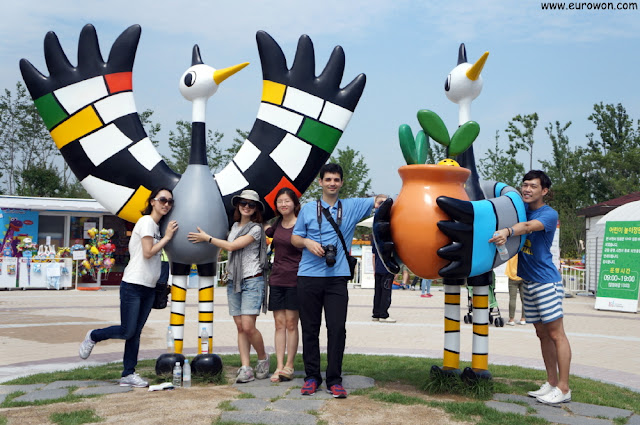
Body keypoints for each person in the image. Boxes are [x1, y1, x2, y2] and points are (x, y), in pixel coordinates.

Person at [79, 188, 178, 387]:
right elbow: (148, 252)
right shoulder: (146, 222)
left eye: (170, 201)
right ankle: (93, 336)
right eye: (162, 200)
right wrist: (167, 238)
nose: (166, 204)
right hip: (133, 284)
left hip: (149, 287)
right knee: (127, 330)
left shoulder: (157, 227)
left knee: (135, 332)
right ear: (152, 201)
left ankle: (128, 373)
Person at [291, 163, 374, 398]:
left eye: (336, 180)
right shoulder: (308, 209)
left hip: (337, 278)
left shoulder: (352, 206)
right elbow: (295, 238)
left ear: (341, 183)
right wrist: (308, 243)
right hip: (308, 276)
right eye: (328, 179)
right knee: (309, 329)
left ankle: (335, 379)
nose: (332, 183)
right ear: (320, 182)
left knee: (337, 329)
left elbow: (380, 200)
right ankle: (311, 377)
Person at [490, 170, 572, 405]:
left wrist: (507, 231)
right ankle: (552, 383)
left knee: (557, 334)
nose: (527, 189)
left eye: (533, 186)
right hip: (526, 280)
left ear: (544, 191)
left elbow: (526, 227)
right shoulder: (520, 209)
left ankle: (564, 388)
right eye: (524, 185)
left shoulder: (548, 214)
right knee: (542, 334)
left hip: (546, 282)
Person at [188, 189, 270, 383]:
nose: (247, 207)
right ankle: (245, 367)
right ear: (238, 206)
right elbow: (226, 245)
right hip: (234, 280)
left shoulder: (255, 228)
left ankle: (262, 358)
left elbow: (232, 246)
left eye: (251, 204)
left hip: (252, 279)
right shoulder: (232, 227)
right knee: (240, 327)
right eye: (243, 203)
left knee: (249, 326)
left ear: (256, 208)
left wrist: (207, 238)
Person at [264, 188, 303, 382]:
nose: (283, 204)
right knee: (279, 325)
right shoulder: (276, 224)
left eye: (287, 201)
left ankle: (289, 365)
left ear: (294, 203)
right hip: (277, 279)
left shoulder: (301, 224)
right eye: (280, 201)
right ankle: (278, 366)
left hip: (295, 280)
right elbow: (265, 229)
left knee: (291, 324)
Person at [371, 194, 396, 323]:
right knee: (386, 291)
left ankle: (375, 313)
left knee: (378, 291)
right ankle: (383, 314)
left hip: (379, 267)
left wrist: (374, 268)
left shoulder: (375, 233)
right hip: (387, 267)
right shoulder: (389, 231)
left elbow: (374, 254)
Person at [505, 255, 525, 326]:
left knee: (512, 299)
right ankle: (523, 319)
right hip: (523, 276)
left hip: (512, 276)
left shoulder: (512, 250)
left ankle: (511, 319)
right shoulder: (523, 249)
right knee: (524, 299)